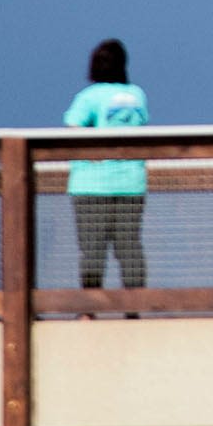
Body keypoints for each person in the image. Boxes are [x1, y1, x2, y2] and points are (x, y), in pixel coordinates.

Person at [60, 39, 151, 292]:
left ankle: (89, 309)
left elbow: (72, 129)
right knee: (130, 247)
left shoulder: (88, 97)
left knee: (92, 249)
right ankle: (135, 306)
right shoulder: (137, 95)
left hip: (91, 184)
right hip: (130, 182)